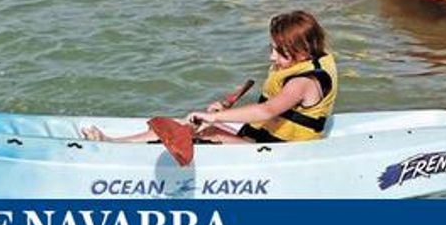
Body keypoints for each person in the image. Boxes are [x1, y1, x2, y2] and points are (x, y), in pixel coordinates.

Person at [82, 11, 338, 145]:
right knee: (186, 123)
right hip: (262, 137)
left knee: (198, 132)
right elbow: (271, 107)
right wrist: (225, 110)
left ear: (302, 50)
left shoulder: (303, 81)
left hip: (282, 149)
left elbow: (267, 110)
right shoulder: (302, 62)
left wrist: (215, 117)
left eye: (279, 52)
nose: (272, 56)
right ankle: (117, 142)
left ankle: (114, 145)